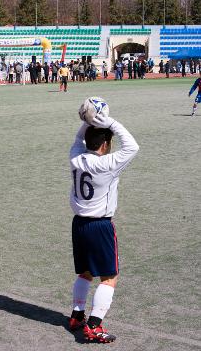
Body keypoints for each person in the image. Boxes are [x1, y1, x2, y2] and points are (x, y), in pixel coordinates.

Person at [69, 111, 139, 343]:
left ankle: (77, 315)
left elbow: (78, 141)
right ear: (106, 144)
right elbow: (132, 146)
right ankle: (94, 325)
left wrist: (86, 122)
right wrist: (109, 122)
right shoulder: (108, 164)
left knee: (85, 273)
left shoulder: (76, 158)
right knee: (109, 277)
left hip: (78, 224)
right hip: (100, 226)